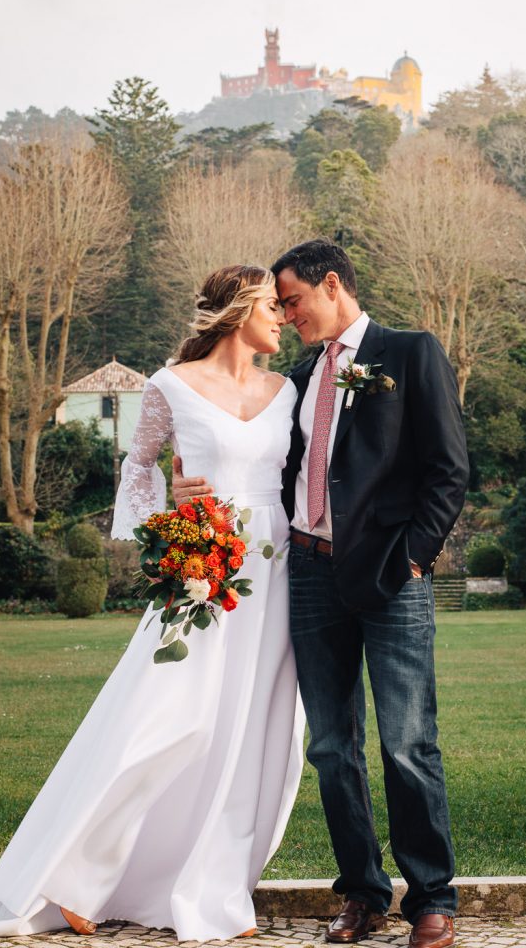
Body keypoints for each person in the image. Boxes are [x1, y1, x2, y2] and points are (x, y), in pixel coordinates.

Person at [0, 265, 305, 943]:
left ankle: (212, 886)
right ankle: (73, 877)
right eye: (273, 305)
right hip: (201, 571)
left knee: (251, 731)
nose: (284, 317)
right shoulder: (169, 385)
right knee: (163, 717)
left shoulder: (286, 388)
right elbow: (138, 467)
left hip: (280, 575)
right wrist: (170, 534)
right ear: (238, 311)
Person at [173, 241, 469, 948]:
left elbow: (449, 469)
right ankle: (361, 895)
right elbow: (268, 464)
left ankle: (432, 898)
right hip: (307, 576)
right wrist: (192, 490)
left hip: (392, 578)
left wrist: (416, 560)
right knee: (333, 747)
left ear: (331, 284)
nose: (287, 314)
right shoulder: (301, 376)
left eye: (293, 301)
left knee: (405, 743)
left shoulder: (410, 352)